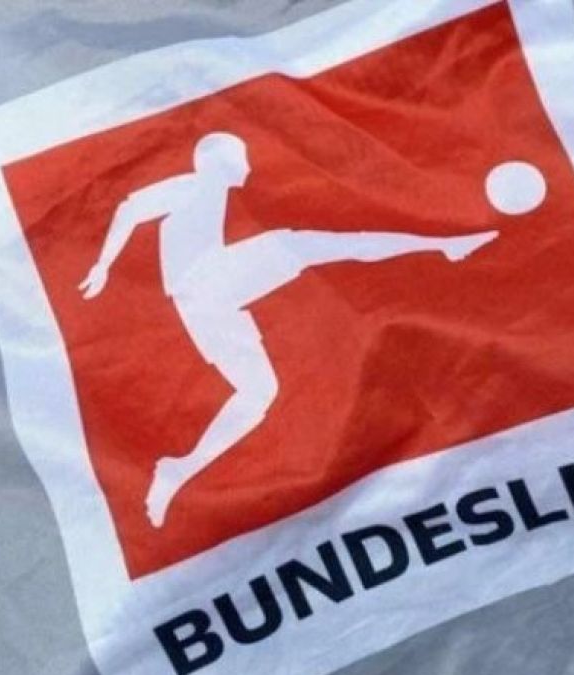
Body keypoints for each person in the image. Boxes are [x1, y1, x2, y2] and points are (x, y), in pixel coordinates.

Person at [80, 132, 497, 527]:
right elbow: (131, 207)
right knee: (307, 244)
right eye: (240, 156)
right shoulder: (193, 186)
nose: (247, 165)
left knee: (259, 392)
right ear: (220, 161)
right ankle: (441, 245)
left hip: (202, 306)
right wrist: (103, 265)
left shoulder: (207, 194)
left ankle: (178, 471)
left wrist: (106, 266)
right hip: (207, 280)